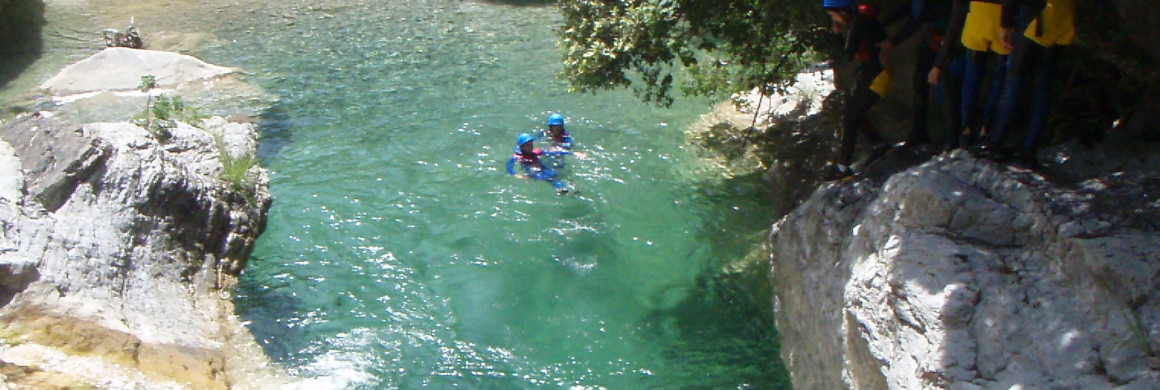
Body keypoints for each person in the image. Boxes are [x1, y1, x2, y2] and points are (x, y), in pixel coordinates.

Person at [980, 0, 1077, 167]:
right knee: (1043, 88)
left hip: (1034, 18)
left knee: (1014, 83)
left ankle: (996, 142)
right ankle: (1029, 149)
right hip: (1063, 17)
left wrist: (1006, 24)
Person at [824, 1, 893, 180]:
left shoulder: (858, 24)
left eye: (833, 15)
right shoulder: (865, 20)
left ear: (841, 12)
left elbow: (847, 56)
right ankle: (879, 145)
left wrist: (837, 35)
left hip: (875, 77)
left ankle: (843, 167)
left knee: (850, 117)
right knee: (854, 113)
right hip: (875, 74)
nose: (833, 19)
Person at [878, 0, 954, 149]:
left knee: (945, 86)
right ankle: (920, 132)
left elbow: (917, 17)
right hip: (935, 38)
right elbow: (911, 8)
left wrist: (892, 42)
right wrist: (881, 23)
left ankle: (952, 136)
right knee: (921, 83)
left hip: (944, 38)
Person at [958, 0, 1009, 147]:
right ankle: (986, 128)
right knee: (999, 80)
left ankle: (966, 129)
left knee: (972, 77)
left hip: (978, 14)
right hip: (1002, 16)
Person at [506, 133, 572, 194]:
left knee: (553, 174)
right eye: (527, 145)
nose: (530, 147)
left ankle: (565, 189)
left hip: (541, 167)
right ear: (521, 147)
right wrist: (516, 175)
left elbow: (553, 153)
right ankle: (561, 188)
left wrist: (572, 153)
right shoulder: (517, 157)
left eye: (531, 144)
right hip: (532, 170)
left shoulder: (536, 152)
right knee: (546, 177)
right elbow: (509, 167)